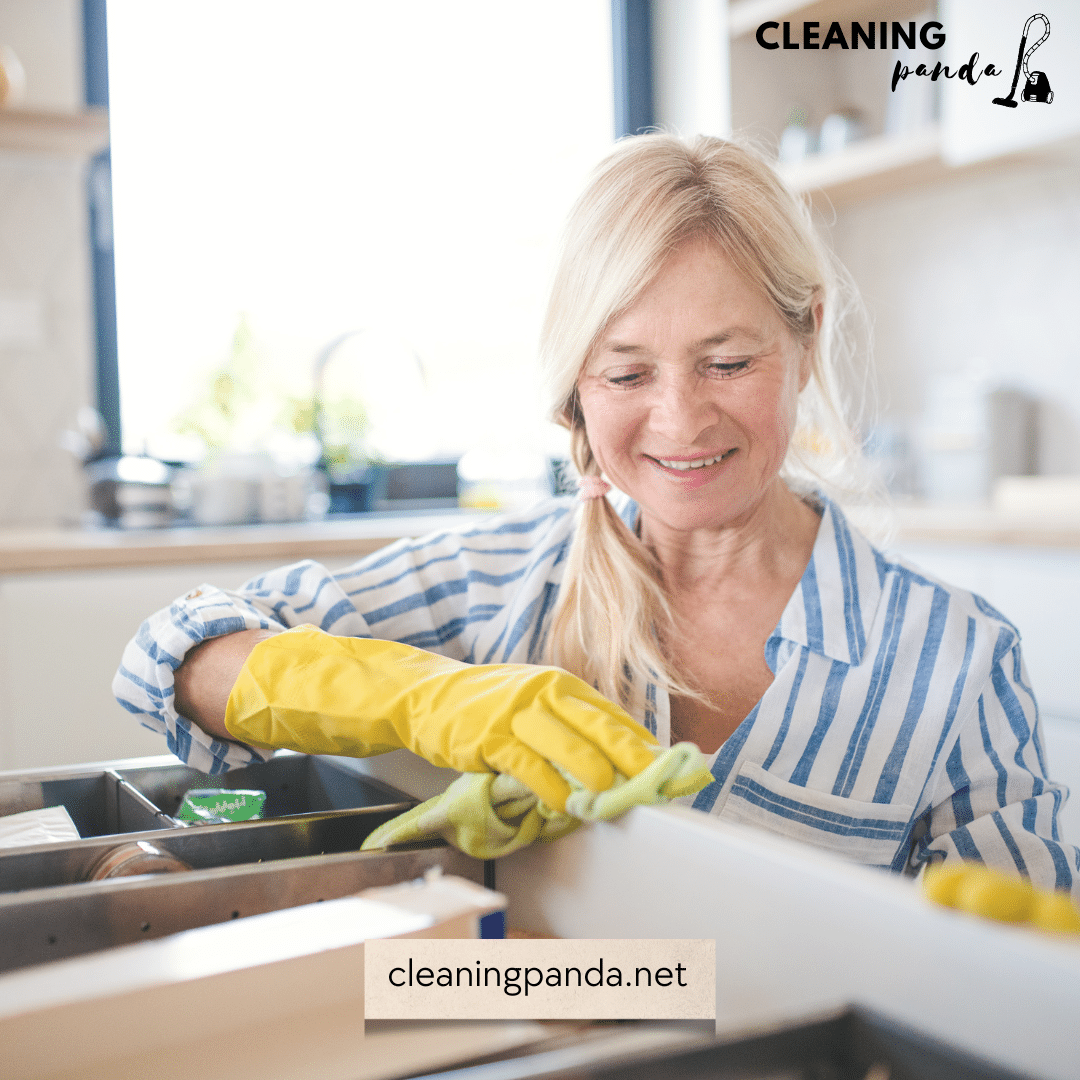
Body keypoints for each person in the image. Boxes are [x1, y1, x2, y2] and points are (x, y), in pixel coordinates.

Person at [115, 133, 1078, 896]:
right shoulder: (500, 587)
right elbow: (172, 657)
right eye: (627, 372)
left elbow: (1009, 1002)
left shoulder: (954, 663)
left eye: (729, 361)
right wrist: (426, 697)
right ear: (577, 384)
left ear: (808, 335)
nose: (681, 418)